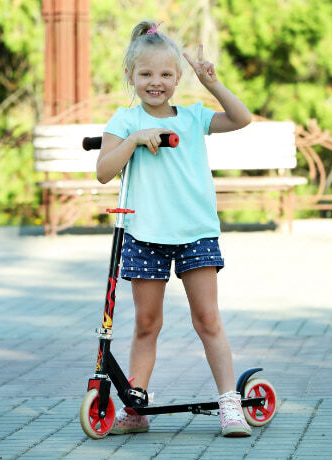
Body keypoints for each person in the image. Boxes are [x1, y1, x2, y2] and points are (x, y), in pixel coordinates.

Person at [96, 20, 253, 437]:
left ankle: (230, 403)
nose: (155, 82)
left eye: (165, 74)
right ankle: (136, 404)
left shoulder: (193, 117)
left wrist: (212, 82)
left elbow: (242, 119)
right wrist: (134, 140)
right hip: (145, 234)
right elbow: (103, 172)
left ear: (178, 78)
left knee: (207, 319)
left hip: (196, 232)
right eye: (146, 74)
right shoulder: (125, 120)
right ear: (131, 76)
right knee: (147, 324)